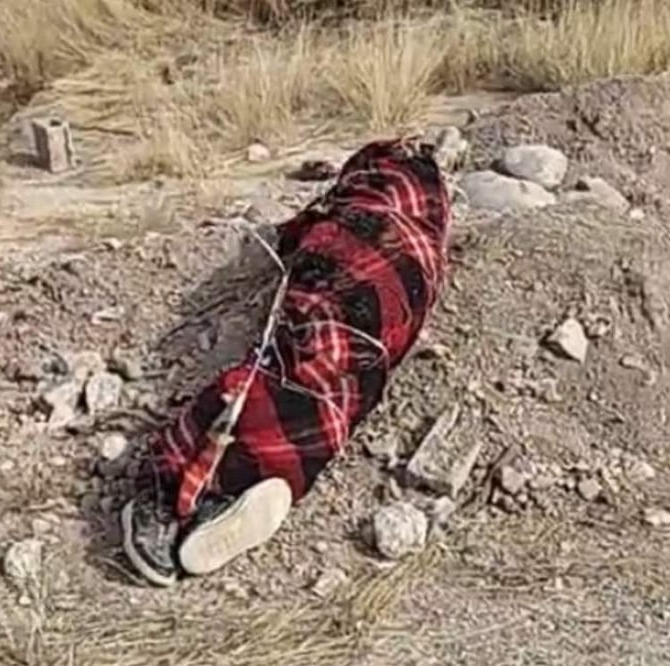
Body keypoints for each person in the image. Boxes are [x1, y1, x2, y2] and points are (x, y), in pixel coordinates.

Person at [121, 138, 454, 587]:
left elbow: (309, 230)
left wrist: (305, 229)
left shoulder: (366, 188)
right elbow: (426, 265)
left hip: (354, 260)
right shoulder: (430, 219)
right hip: (399, 293)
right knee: (345, 377)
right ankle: (241, 481)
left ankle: (170, 490)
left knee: (301, 349)